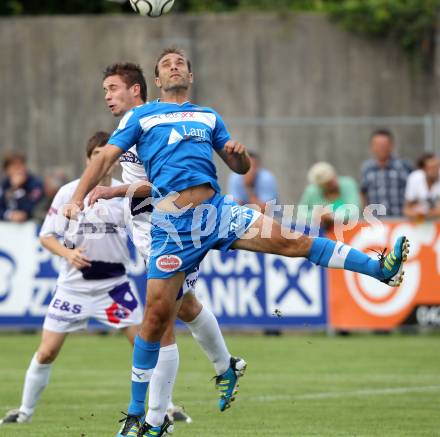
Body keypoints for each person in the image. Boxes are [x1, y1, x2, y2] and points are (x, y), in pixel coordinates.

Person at [65, 47, 410, 437]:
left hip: (217, 212)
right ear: (156, 82)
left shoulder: (208, 115)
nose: (174, 66)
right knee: (156, 318)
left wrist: (239, 158)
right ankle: (140, 417)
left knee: (294, 241)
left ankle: (380, 269)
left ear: (190, 77)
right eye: (166, 64)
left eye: (180, 62)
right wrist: (79, 196)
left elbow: (238, 166)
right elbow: (104, 158)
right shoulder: (142, 116)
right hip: (173, 226)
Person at [93, 62, 246, 431]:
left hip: (172, 227)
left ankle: (156, 419)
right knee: (185, 307)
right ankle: (227, 366)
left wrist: (112, 190)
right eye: (105, 92)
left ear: (137, 90)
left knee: (160, 322)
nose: (108, 97)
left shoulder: (155, 123)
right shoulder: (129, 125)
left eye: (113, 88)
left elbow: (161, 185)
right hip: (147, 229)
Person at [0, 132, 143, 426]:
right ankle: (24, 412)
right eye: (96, 156)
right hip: (74, 287)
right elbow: (46, 236)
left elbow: (142, 231)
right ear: (87, 159)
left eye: (109, 156)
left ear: (116, 161)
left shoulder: (124, 194)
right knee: (47, 351)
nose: (103, 162)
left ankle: (163, 408)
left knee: (144, 345)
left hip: (115, 286)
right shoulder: (69, 192)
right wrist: (68, 254)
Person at [360, 129, 413, 217]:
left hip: (400, 221)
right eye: (378, 145)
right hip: (376, 222)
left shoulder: (404, 166)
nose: (381, 148)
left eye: (384, 145)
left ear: (391, 146)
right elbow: (363, 192)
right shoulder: (367, 168)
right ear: (371, 147)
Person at [298, 161, 361, 230]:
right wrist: (317, 215)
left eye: (333, 179)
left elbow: (354, 210)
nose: (333, 184)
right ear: (320, 186)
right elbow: (301, 212)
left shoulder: (348, 184)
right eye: (328, 183)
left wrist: (331, 216)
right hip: (321, 232)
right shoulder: (311, 191)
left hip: (348, 230)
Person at [0, 152, 44, 222]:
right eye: (15, 167)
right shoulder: (4, 184)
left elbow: (33, 208)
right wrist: (9, 215)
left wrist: (17, 189)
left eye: (21, 165)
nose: (19, 170)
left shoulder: (35, 184)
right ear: (6, 170)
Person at [403, 153, 440, 221]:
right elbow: (406, 210)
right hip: (421, 224)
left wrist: (424, 212)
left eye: (437, 167)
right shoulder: (414, 178)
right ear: (423, 169)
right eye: (431, 168)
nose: (435, 171)